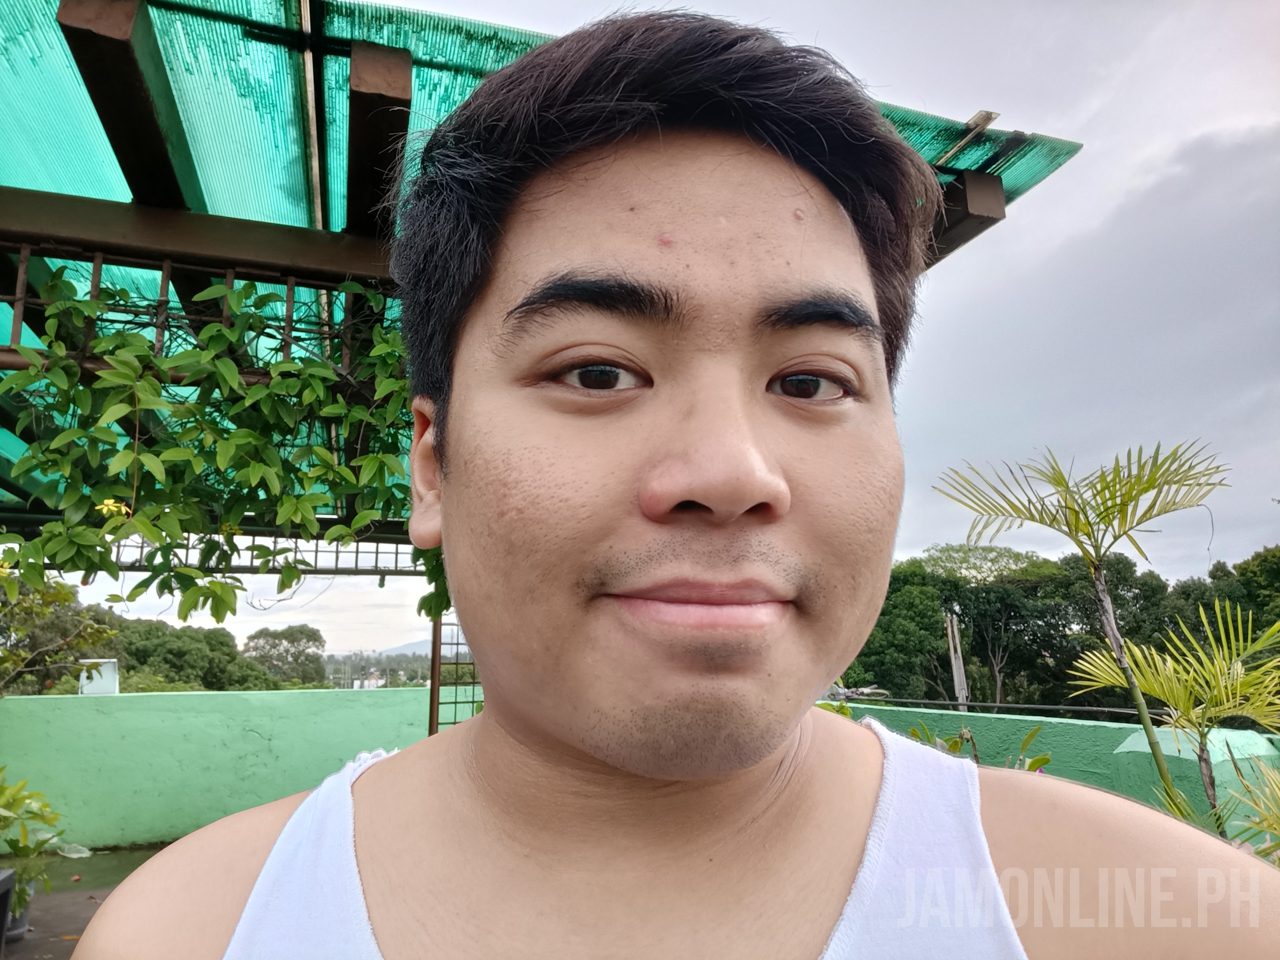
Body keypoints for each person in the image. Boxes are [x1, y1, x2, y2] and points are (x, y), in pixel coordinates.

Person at [77, 12, 1277, 960]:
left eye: (808, 381)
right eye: (596, 370)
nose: (731, 472)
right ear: (431, 464)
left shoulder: (1161, 921)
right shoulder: (195, 930)